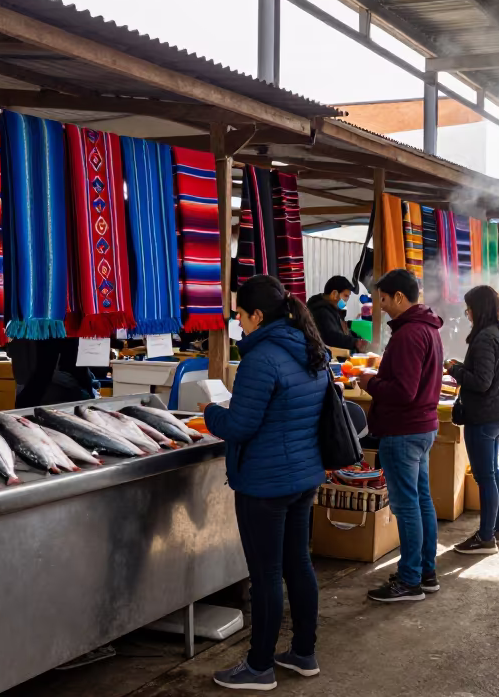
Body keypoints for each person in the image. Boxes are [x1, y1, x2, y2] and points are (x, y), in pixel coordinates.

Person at [203, 275, 329, 690]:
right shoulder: (309, 348)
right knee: (298, 565)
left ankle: (259, 666)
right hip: (303, 477)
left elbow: (240, 425)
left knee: (267, 575)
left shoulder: (261, 358)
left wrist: (210, 413)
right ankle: (303, 652)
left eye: (239, 315)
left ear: (257, 315)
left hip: (264, 485)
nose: (238, 323)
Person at [358, 269, 445, 602]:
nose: (379, 305)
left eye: (382, 298)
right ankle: (425, 572)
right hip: (421, 428)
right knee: (421, 503)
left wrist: (369, 382)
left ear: (398, 297)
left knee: (408, 507)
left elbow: (404, 391)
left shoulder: (409, 334)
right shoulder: (427, 328)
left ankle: (410, 580)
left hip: (403, 430)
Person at [446, 285, 499, 554]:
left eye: (469, 309)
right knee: (493, 473)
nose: (468, 314)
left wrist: (455, 370)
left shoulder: (486, 337)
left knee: (485, 477)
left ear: (479, 309)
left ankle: (486, 537)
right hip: (495, 414)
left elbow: (482, 381)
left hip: (484, 416)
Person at [307, 276, 370, 354]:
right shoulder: (321, 312)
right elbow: (332, 337)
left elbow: (339, 329)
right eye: (345, 296)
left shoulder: (333, 309)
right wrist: (355, 342)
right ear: (335, 294)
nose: (346, 300)